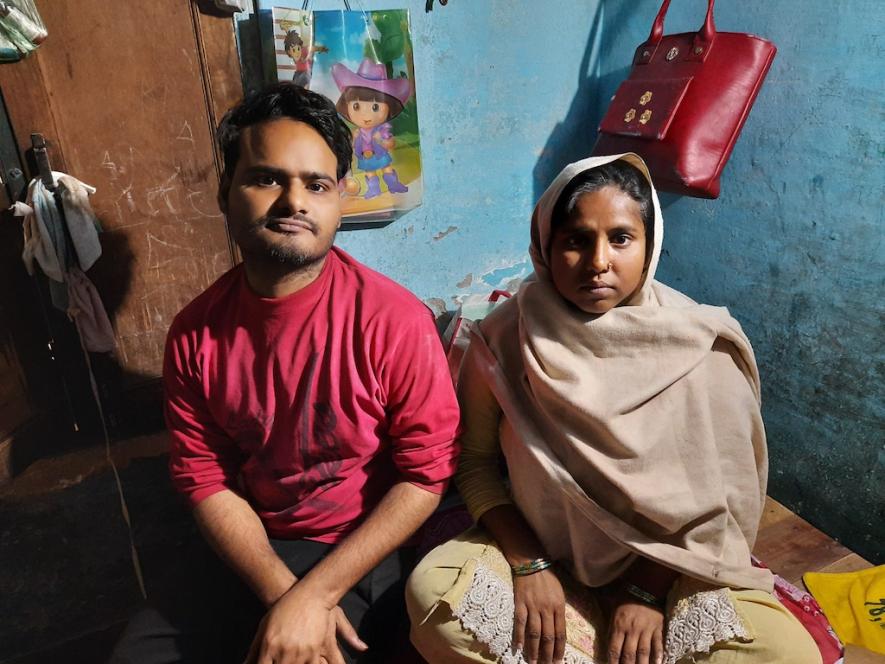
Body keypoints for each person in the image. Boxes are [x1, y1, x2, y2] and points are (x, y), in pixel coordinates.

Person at [406, 154, 822, 664]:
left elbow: (723, 502)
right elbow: (475, 464)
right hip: (546, 550)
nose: (598, 261)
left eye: (621, 238)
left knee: (785, 654)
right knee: (434, 599)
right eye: (576, 240)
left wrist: (646, 590)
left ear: (650, 245)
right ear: (546, 246)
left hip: (673, 561)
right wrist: (529, 563)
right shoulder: (505, 337)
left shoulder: (702, 344)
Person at [109, 82, 460, 664]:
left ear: (339, 199)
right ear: (226, 192)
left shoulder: (394, 321)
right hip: (252, 541)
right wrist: (286, 596)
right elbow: (205, 477)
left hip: (361, 545)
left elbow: (426, 476)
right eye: (267, 179)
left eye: (316, 185)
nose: (294, 202)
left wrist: (316, 595)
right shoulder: (195, 333)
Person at [332, 59, 411, 199]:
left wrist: (382, 140)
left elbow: (391, 143)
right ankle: (374, 189)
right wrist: (351, 141)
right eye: (356, 106)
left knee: (387, 168)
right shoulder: (357, 132)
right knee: (370, 172)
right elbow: (351, 145)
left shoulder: (382, 130)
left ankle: (393, 185)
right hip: (365, 156)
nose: (365, 115)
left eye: (375, 107)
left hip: (380, 154)